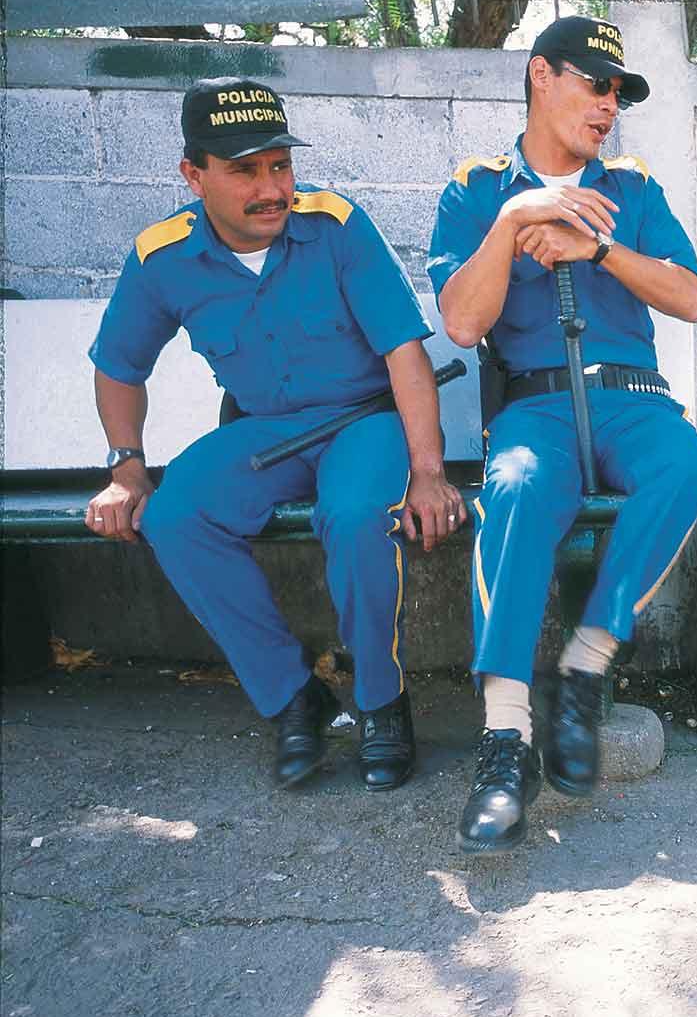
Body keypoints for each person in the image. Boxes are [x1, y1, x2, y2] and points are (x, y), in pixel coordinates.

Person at [86, 77, 467, 793]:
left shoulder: (336, 224)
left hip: (364, 420)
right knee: (173, 514)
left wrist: (426, 470)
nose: (271, 187)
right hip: (265, 432)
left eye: (279, 165)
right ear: (193, 174)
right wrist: (126, 467)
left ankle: (382, 701)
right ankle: (294, 696)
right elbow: (118, 366)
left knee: (355, 517)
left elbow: (403, 353)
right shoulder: (161, 255)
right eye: (243, 170)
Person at [428, 16, 697, 852]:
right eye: (596, 84)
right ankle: (505, 739)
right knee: (510, 487)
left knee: (682, 467)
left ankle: (588, 661)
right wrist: (517, 216)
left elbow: (690, 297)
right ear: (542, 76)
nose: (609, 105)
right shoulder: (476, 189)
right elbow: (460, 321)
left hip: (632, 400)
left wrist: (597, 246)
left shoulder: (633, 190)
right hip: (537, 407)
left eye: (618, 92)